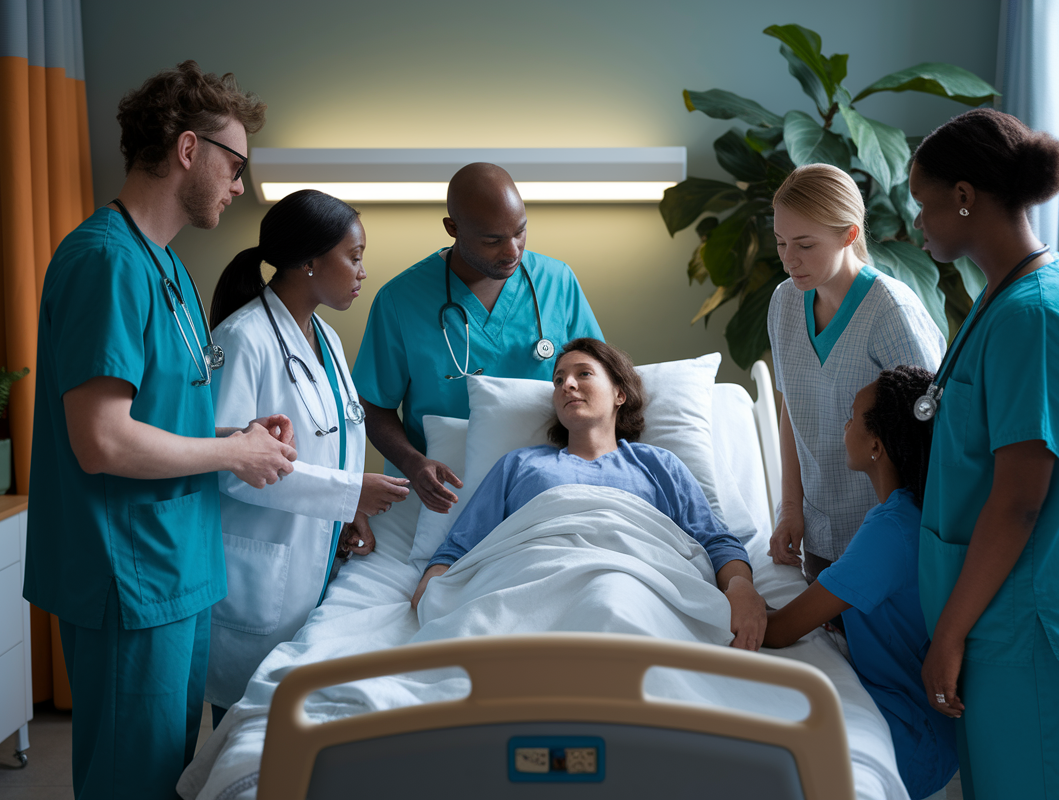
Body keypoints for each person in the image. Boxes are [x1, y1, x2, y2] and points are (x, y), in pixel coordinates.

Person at [24, 62, 298, 800]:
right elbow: (103, 440)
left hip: (177, 564)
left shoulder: (167, 267)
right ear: (188, 150)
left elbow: (158, 413)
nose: (239, 186)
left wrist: (243, 435)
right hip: (129, 570)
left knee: (172, 776)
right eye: (234, 166)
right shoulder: (106, 262)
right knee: (131, 780)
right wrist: (233, 452)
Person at [911, 108, 1059, 799]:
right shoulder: (1004, 298)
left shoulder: (1037, 315)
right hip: (990, 611)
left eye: (924, 204)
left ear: (964, 196)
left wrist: (950, 633)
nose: (918, 225)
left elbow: (1021, 500)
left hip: (1020, 617)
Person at [411, 339, 767, 650]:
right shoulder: (518, 465)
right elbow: (462, 545)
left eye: (583, 374)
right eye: (558, 379)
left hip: (632, 581)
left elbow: (716, 540)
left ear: (619, 394)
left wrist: (740, 587)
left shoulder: (658, 464)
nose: (567, 384)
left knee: (610, 599)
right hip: (529, 580)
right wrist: (433, 588)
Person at [203, 190, 411, 726]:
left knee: (292, 725)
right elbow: (231, 469)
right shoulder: (242, 339)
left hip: (315, 562)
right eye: (355, 256)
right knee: (245, 730)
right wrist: (349, 493)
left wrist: (351, 511)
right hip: (261, 571)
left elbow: (335, 440)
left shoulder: (327, 337)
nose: (363, 271)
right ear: (310, 262)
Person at [353, 163, 603, 513]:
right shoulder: (400, 300)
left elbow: (599, 380)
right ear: (452, 228)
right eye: (493, 240)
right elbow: (373, 404)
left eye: (520, 232)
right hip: (445, 493)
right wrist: (412, 463)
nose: (512, 251)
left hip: (546, 483)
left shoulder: (557, 281)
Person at [763, 366, 957, 800]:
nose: (845, 425)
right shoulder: (912, 513)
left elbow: (778, 631)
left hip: (911, 733)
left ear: (876, 445)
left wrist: (729, 591)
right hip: (927, 724)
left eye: (852, 415)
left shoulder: (890, 530)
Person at [767, 164, 945, 582]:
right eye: (780, 243)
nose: (790, 259)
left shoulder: (891, 313)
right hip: (817, 538)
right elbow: (792, 409)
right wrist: (791, 508)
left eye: (805, 245)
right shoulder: (784, 303)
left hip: (889, 543)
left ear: (849, 234)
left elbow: (931, 438)